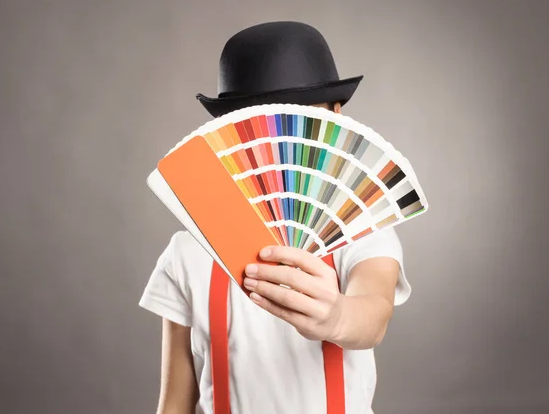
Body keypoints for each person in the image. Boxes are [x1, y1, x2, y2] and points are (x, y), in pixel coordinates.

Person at [139, 21, 411, 414]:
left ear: (337, 116)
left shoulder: (362, 233)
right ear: (227, 132)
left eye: (303, 120)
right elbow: (175, 401)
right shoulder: (188, 251)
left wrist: (335, 315)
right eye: (260, 124)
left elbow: (373, 315)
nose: (285, 143)